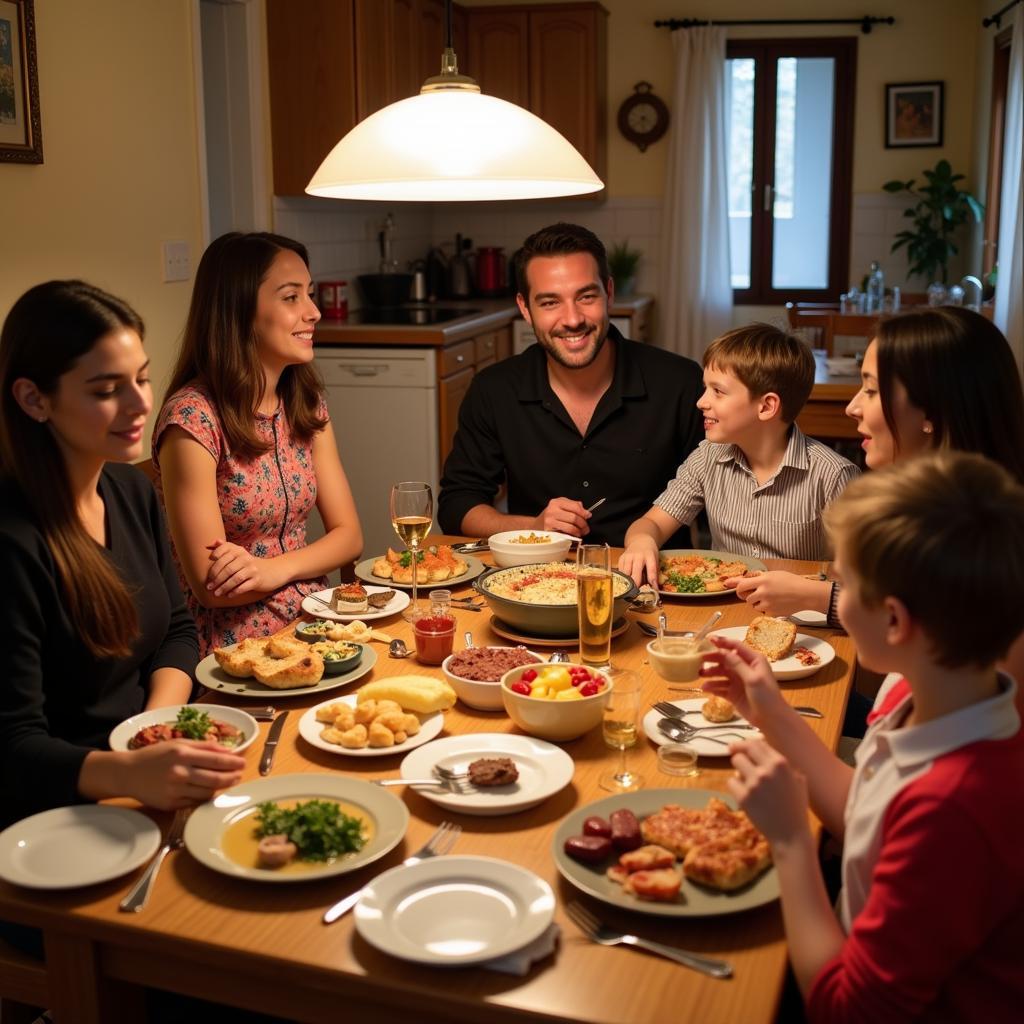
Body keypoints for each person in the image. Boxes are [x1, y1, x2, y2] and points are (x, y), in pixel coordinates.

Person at [708, 451, 1024, 1020]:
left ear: (896, 622)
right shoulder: (922, 696)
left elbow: (845, 1009)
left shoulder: (956, 808)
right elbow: (869, 817)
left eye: (842, 584)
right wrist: (770, 712)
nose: (836, 599)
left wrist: (790, 841)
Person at [0, 281, 246, 831]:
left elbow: (178, 630)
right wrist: (128, 770)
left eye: (141, 378)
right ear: (33, 399)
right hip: (57, 814)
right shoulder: (15, 541)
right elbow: (13, 746)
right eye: (107, 389)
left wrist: (156, 726)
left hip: (143, 771)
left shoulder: (131, 491)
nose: (140, 404)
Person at [731, 307, 1024, 686]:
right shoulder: (929, 510)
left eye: (870, 389)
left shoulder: (974, 545)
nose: (852, 407)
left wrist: (817, 594)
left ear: (931, 410)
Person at [154, 232, 363, 656]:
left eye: (309, 294)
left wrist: (270, 571)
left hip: (315, 625)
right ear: (240, 310)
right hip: (234, 652)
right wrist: (305, 566)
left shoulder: (305, 403)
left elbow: (350, 536)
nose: (314, 312)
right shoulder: (192, 421)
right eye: (291, 298)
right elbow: (214, 588)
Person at [437, 222, 704, 546]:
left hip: (655, 587)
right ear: (525, 308)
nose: (573, 319)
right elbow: (457, 506)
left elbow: (718, 501)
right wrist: (533, 527)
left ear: (609, 292)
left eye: (586, 296)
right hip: (533, 583)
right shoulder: (494, 390)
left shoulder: (680, 383)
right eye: (550, 302)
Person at [619, 323, 859, 587]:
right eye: (705, 388)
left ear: (766, 406)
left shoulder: (833, 475)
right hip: (724, 610)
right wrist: (642, 540)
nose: (701, 402)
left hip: (800, 617)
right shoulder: (708, 457)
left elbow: (858, 577)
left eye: (718, 391)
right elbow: (652, 522)